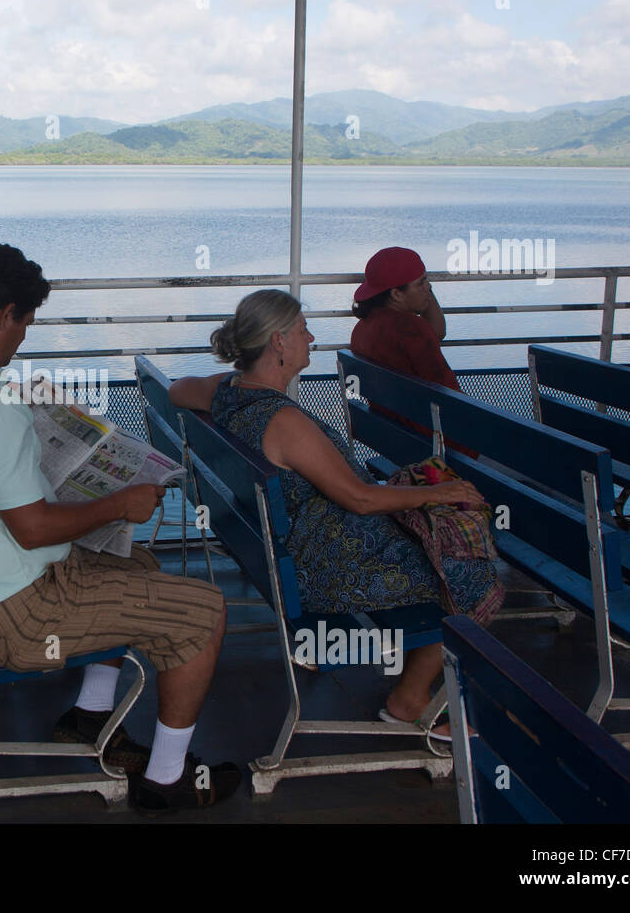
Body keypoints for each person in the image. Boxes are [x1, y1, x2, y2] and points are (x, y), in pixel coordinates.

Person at [0, 243, 239, 814]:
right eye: (24, 323)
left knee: (134, 564)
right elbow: (34, 529)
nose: (23, 338)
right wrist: (120, 502)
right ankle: (167, 780)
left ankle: (89, 715)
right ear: (2, 316)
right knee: (205, 613)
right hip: (19, 613)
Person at [169, 289, 501, 738]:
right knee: (471, 573)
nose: (312, 338)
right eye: (303, 330)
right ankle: (410, 699)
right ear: (278, 342)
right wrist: (436, 496)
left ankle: (412, 679)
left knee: (434, 540)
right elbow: (360, 499)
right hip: (325, 567)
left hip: (282, 548)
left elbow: (176, 389)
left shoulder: (226, 392)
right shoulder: (284, 422)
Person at [350, 247, 459, 390]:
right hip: (420, 412)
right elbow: (449, 391)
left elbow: (436, 333)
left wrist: (419, 282)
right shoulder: (412, 328)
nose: (429, 287)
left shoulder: (362, 328)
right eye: (421, 283)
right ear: (396, 294)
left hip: (382, 411)